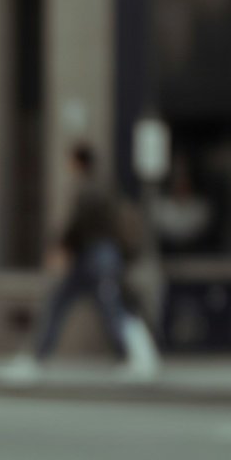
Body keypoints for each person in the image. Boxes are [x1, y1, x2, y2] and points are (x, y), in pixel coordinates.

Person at [31, 141, 134, 364]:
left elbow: (77, 225)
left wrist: (61, 247)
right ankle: (127, 356)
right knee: (103, 305)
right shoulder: (102, 187)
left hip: (96, 255)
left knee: (101, 305)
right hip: (97, 256)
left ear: (78, 162)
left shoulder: (87, 189)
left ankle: (129, 355)